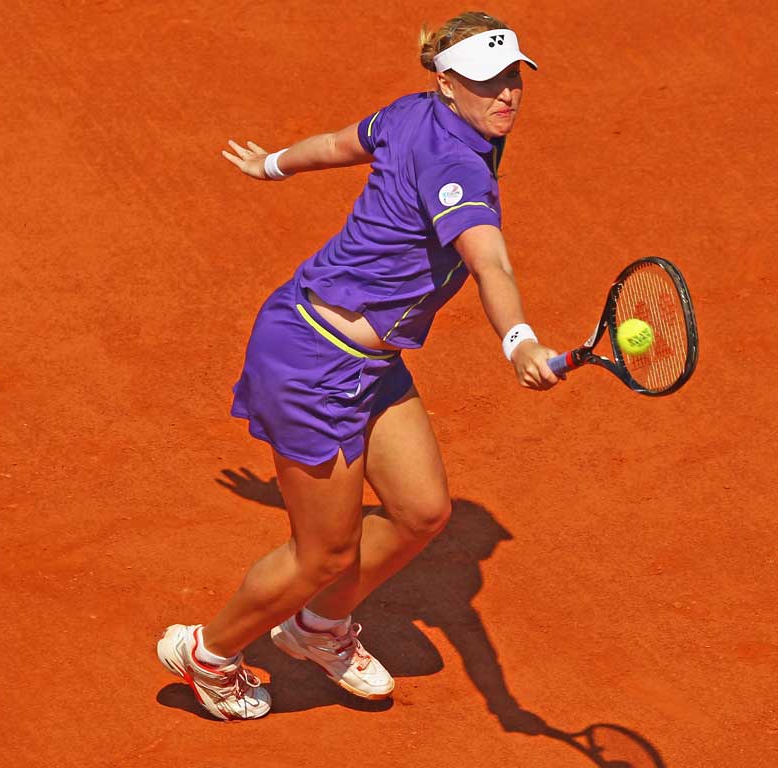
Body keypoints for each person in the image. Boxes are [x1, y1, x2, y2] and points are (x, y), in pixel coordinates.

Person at [158, 11, 560, 721]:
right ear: (447, 82)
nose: (505, 94)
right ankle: (208, 654)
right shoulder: (458, 166)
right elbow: (489, 260)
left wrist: (273, 164)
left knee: (421, 512)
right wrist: (518, 340)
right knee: (323, 555)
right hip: (312, 363)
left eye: (512, 77)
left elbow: (339, 144)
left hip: (365, 361)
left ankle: (316, 628)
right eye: (485, 81)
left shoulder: (412, 113)